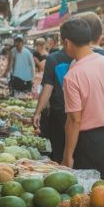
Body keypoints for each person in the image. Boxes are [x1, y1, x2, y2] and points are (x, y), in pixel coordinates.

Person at [61, 18, 104, 179]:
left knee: (89, 194)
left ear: (67, 43)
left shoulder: (72, 76)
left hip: (89, 142)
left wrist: (67, 155)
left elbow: (74, 120)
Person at [33, 22, 74, 163]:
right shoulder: (94, 58)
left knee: (60, 157)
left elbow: (47, 88)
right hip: (79, 118)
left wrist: (37, 112)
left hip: (61, 115)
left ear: (63, 40)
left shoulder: (54, 58)